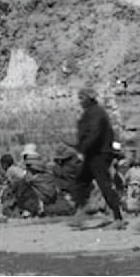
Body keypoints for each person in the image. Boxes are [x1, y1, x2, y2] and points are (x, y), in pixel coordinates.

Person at [70, 88, 126, 230]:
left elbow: (94, 134)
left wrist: (83, 147)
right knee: (81, 182)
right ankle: (80, 213)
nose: (80, 101)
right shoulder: (91, 112)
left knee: (104, 184)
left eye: (82, 98)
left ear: (89, 99)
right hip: (92, 154)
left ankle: (118, 218)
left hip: (99, 154)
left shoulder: (96, 113)